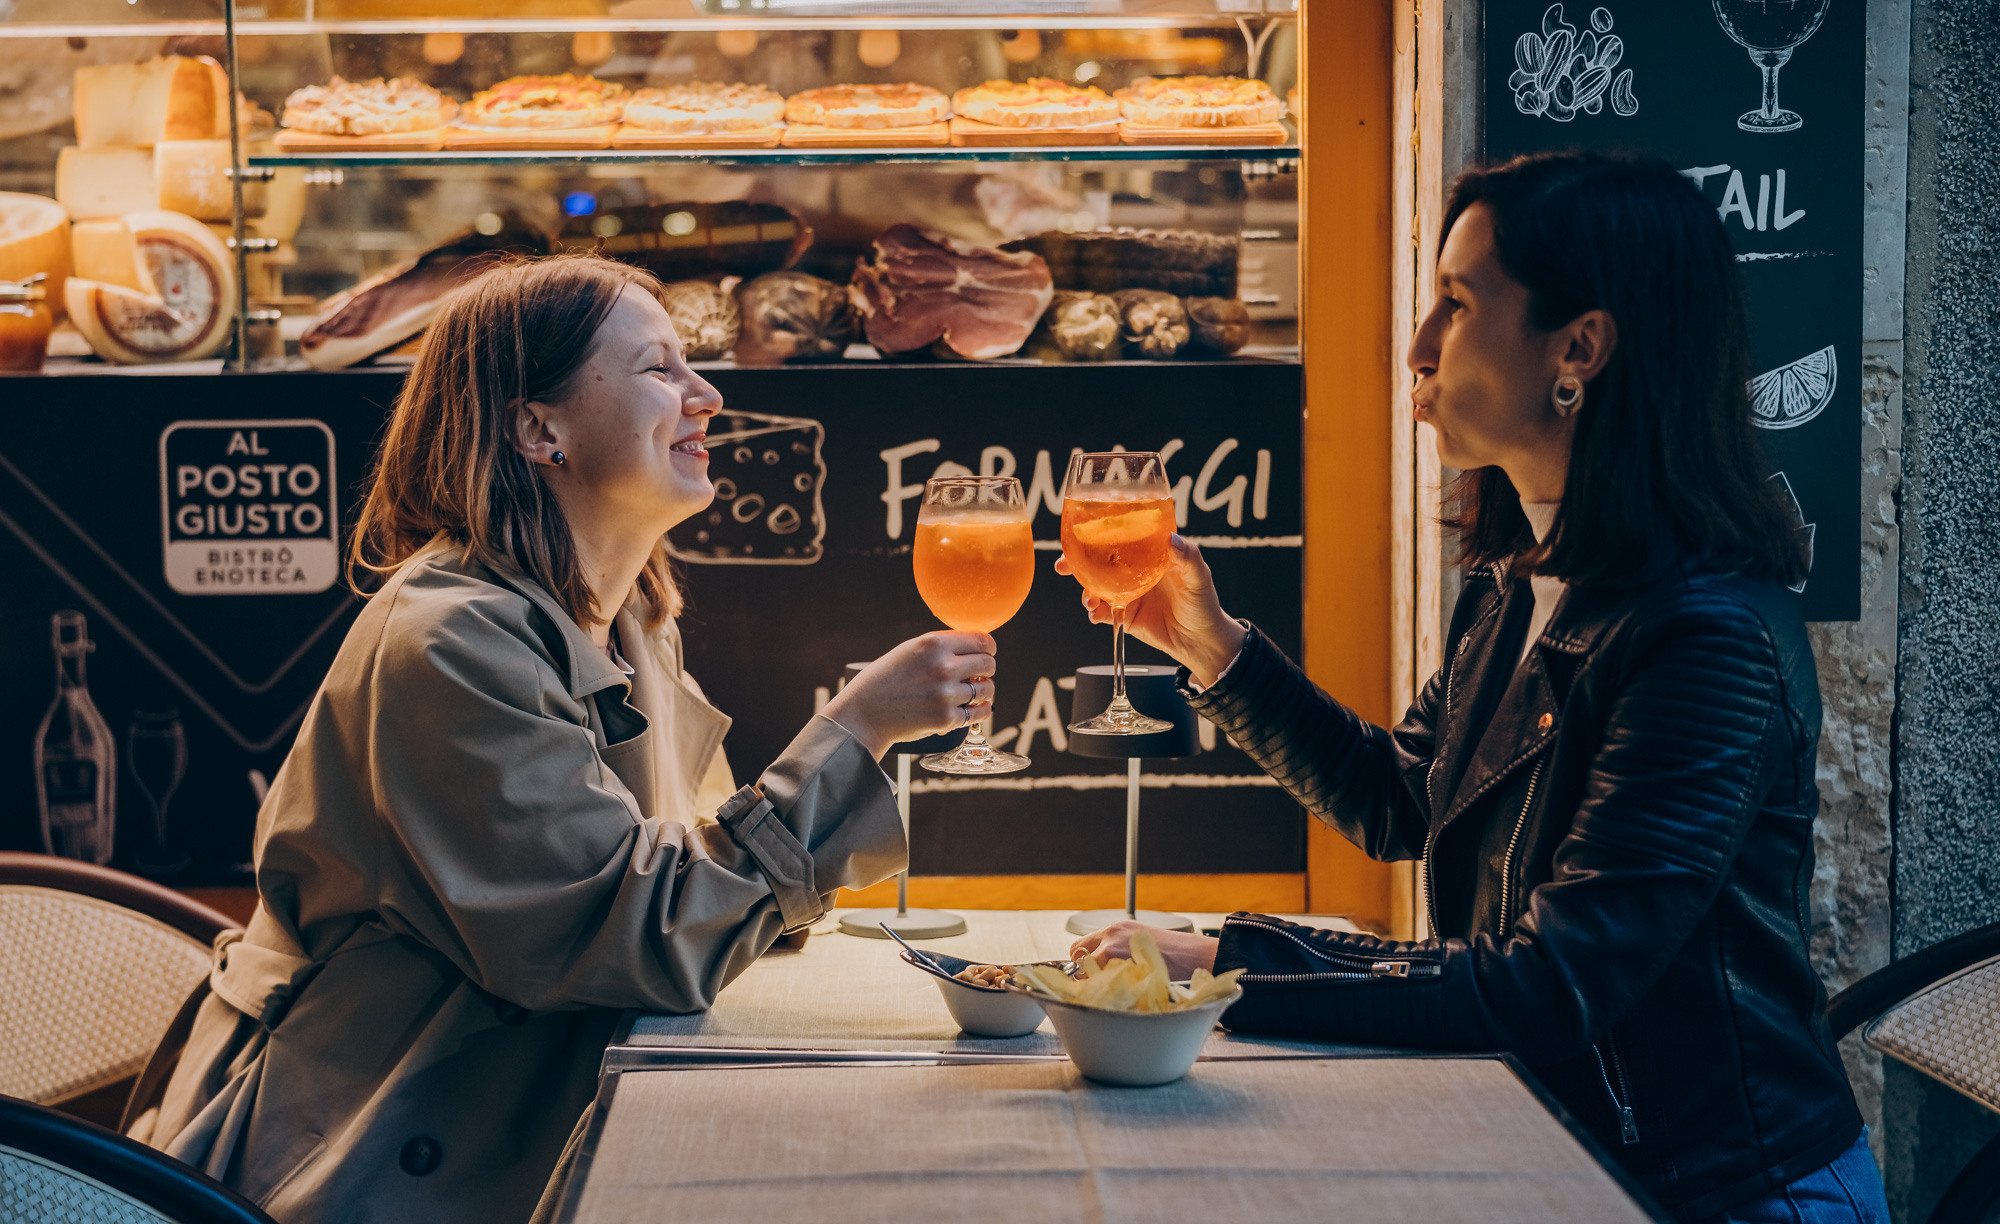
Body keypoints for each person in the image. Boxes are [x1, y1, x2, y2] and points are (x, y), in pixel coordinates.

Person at [1064, 152, 1888, 1224]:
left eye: (1453, 305)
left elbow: (1552, 986)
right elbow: (1402, 800)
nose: (1415, 348)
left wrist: (1235, 963)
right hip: (1556, 1147)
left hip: (1711, 1193)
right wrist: (1214, 647)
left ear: (1577, 348)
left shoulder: (1705, 640)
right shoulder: (1517, 582)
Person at [124, 254, 996, 1224]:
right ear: (538, 428)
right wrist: (856, 730)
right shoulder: (447, 642)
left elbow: (703, 877)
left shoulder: (628, 619)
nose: (706, 395)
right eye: (659, 370)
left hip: (523, 1112)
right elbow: (637, 935)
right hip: (357, 1153)